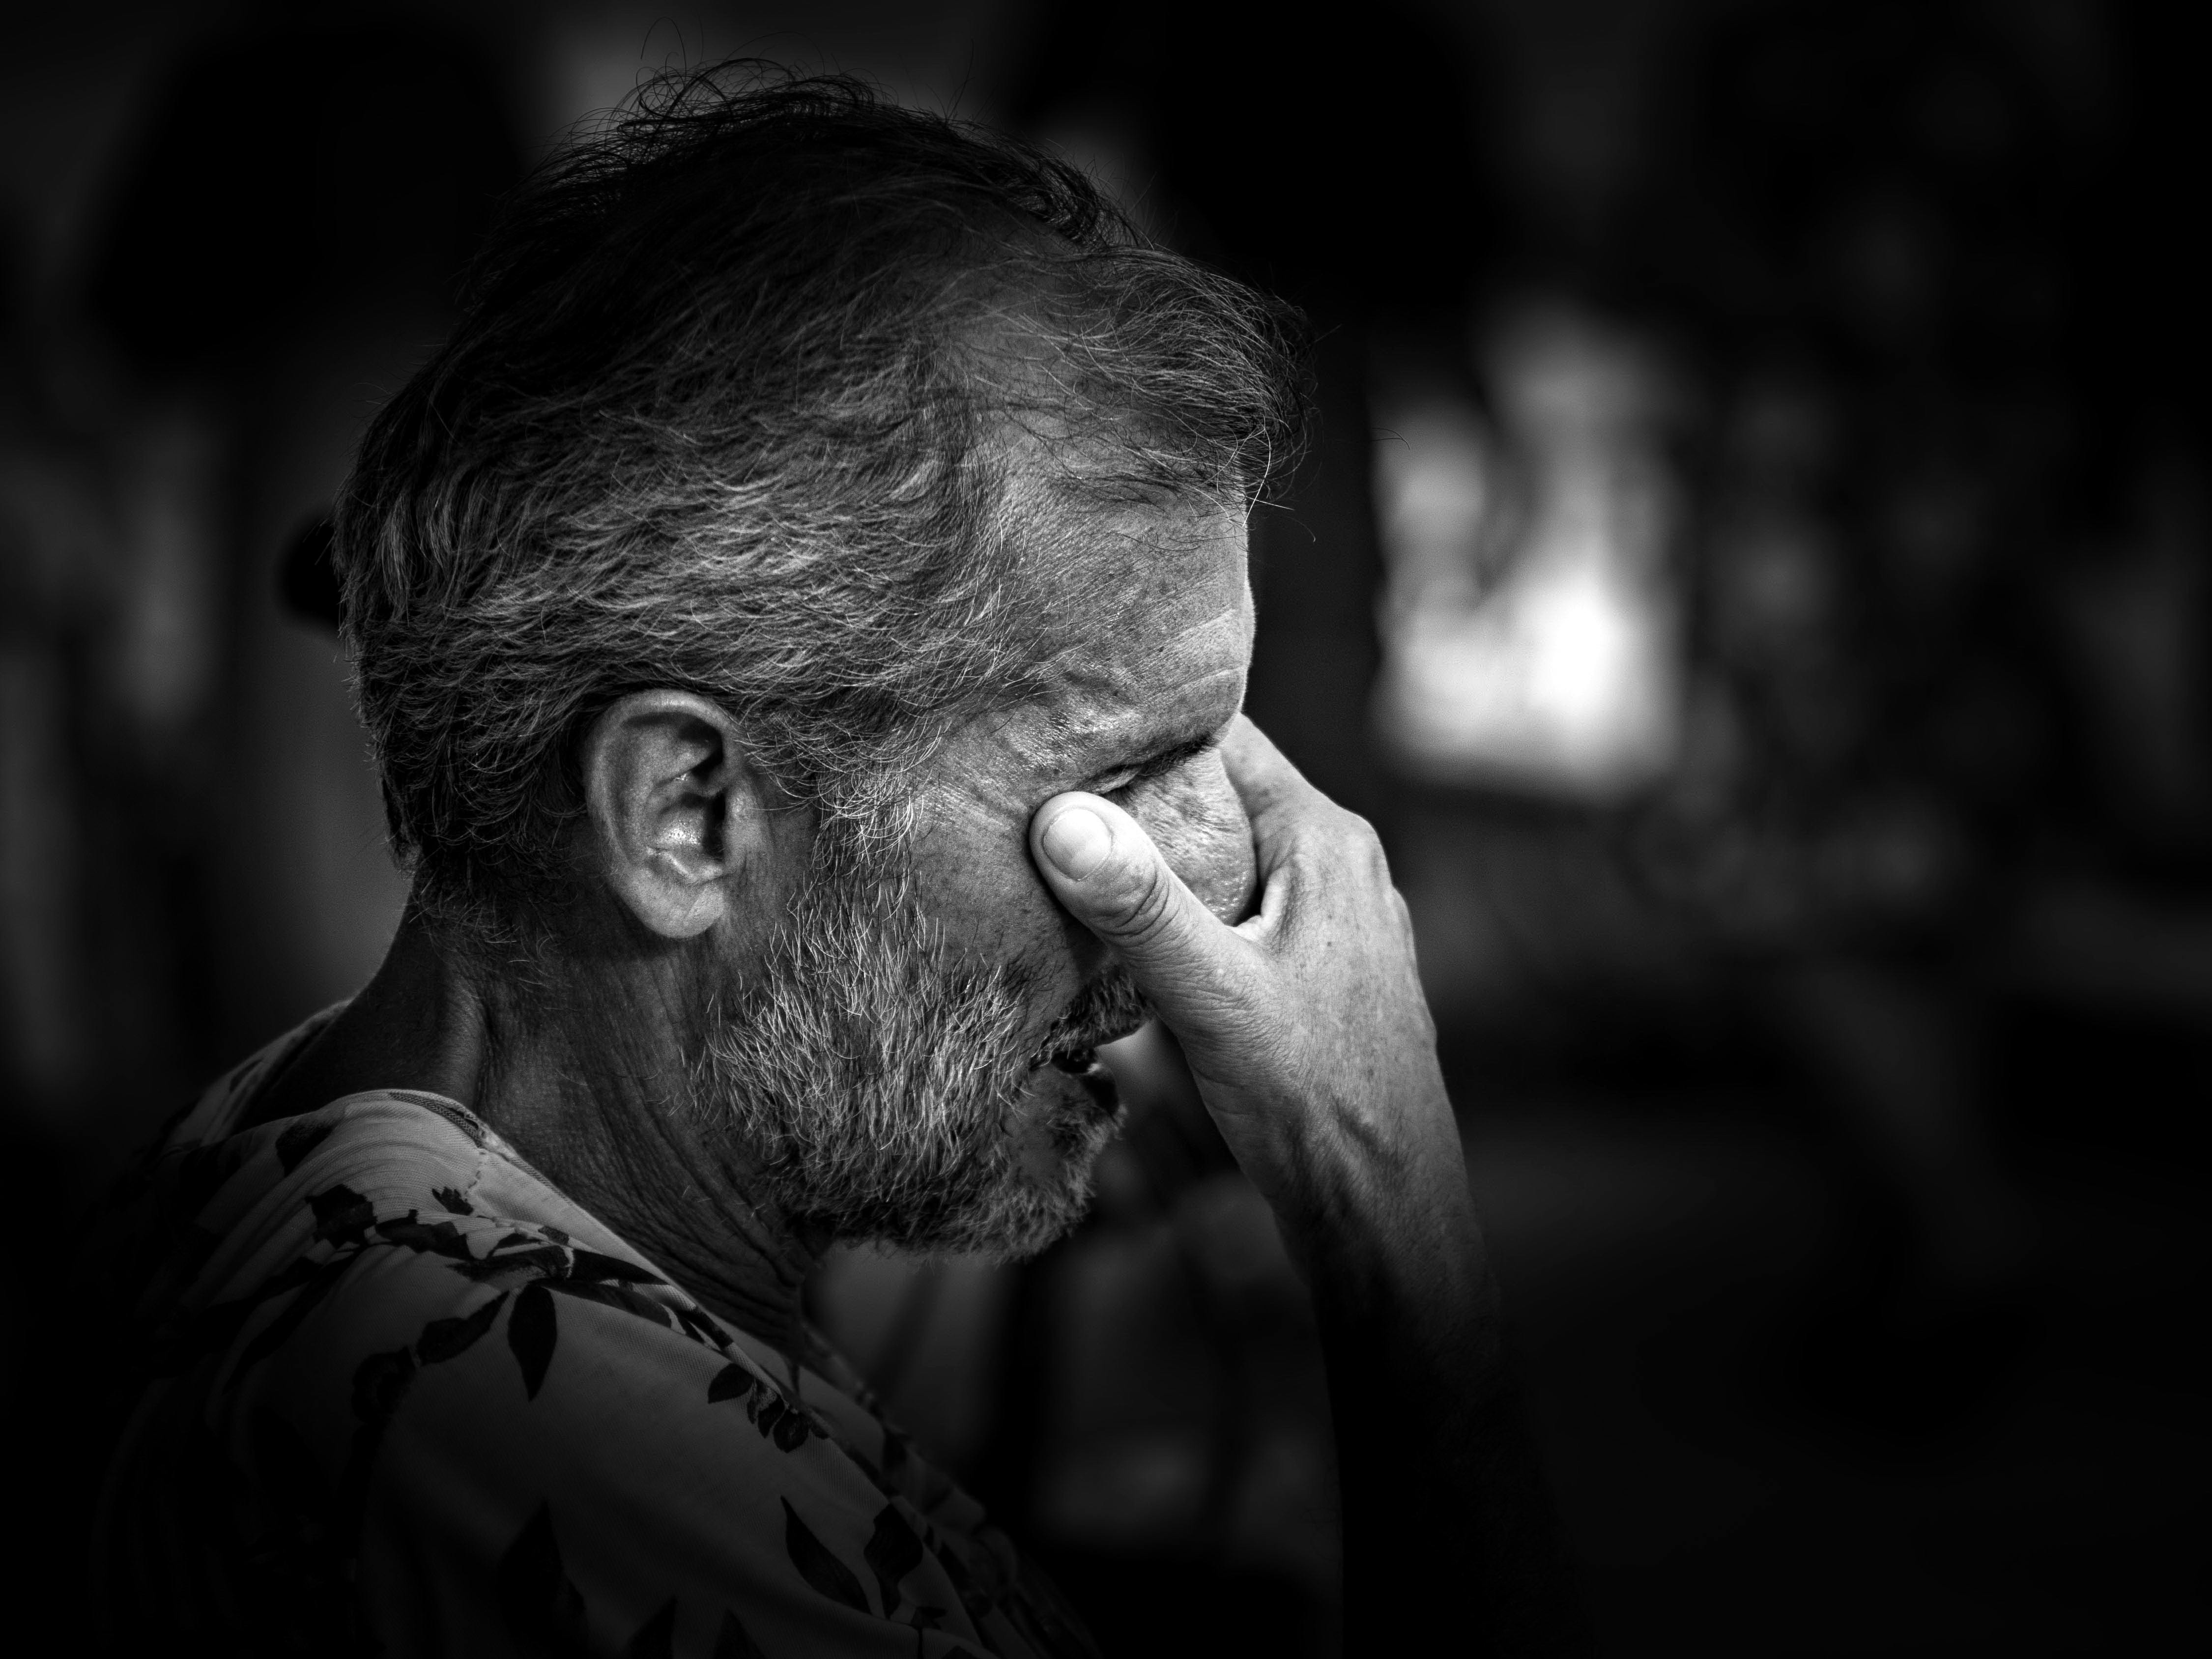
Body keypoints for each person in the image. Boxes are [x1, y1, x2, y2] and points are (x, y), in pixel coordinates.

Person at [92, 69, 1577, 1657]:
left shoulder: (325, 1157)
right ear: (687, 812)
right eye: (1116, 777)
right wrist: (1390, 1212)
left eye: (1218, 750)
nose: (1216, 880)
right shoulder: (531, 1438)